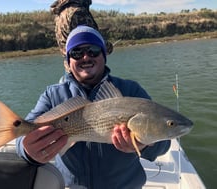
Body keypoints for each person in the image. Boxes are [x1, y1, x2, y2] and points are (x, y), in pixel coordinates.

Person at [16, 26, 171, 189]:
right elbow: (23, 134)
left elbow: (164, 143)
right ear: (69, 61)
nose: (85, 57)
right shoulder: (53, 95)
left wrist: (144, 145)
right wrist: (28, 150)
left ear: (104, 55)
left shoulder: (131, 91)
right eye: (76, 52)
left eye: (93, 50)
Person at [50, 0, 113, 73]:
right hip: (86, 69)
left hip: (71, 67)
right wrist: (108, 47)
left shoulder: (61, 13)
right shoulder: (78, 12)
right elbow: (90, 41)